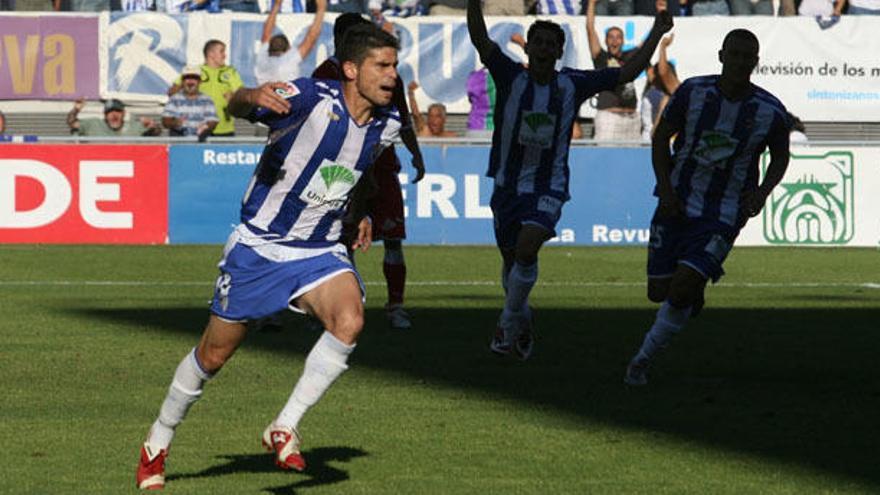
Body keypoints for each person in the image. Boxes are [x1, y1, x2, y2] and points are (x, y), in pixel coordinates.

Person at [135, 24, 409, 490]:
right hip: (261, 246)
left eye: (394, 66)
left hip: (319, 249)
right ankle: (158, 439)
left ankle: (285, 425)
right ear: (351, 69)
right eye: (381, 66)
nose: (391, 75)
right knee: (213, 355)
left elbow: (359, 172)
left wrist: (360, 212)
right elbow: (236, 105)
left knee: (350, 321)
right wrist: (249, 93)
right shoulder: (307, 98)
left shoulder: (389, 123)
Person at [467, 0, 672, 359]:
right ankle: (523, 320)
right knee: (513, 260)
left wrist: (657, 30)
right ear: (527, 47)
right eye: (539, 43)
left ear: (560, 51)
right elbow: (480, 38)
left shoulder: (572, 83)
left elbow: (627, 73)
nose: (545, 49)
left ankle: (507, 322)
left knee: (528, 247)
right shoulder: (509, 74)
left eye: (551, 44)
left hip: (549, 186)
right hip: (507, 186)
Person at [624, 29, 791, 386]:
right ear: (722, 56)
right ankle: (694, 288)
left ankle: (641, 362)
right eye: (735, 54)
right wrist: (666, 189)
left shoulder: (770, 111)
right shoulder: (693, 92)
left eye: (748, 57)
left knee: (681, 288)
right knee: (659, 292)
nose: (741, 62)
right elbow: (659, 139)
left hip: (725, 212)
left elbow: (781, 156)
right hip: (677, 203)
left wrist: (762, 192)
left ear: (756, 62)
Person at [312, 13, 426, 329]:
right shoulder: (325, 73)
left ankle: (395, 305)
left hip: (383, 166)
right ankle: (336, 308)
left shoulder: (386, 74)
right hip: (342, 169)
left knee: (392, 239)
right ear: (339, 40)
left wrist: (416, 154)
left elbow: (402, 118)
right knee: (339, 238)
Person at [586, 0, 640, 142]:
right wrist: (591, 3)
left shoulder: (631, 56)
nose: (614, 41)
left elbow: (650, 43)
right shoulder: (601, 58)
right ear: (605, 41)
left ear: (623, 41)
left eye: (618, 37)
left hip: (632, 118)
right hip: (608, 118)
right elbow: (590, 29)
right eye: (611, 37)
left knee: (634, 162)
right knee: (602, 159)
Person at [169, 40, 243, 137]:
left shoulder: (231, 72)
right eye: (222, 51)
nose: (225, 55)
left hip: (224, 129)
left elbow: (242, 95)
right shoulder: (195, 71)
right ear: (211, 53)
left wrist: (234, 97)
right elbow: (172, 92)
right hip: (197, 129)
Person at [255, 0, 327, 85]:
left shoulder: (262, 56)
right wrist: (321, 8)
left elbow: (266, 33)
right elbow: (311, 37)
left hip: (263, 96)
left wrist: (277, 5)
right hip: (286, 98)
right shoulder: (289, 60)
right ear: (288, 49)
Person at [162, 65, 219, 141]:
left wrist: (206, 127)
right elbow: (165, 122)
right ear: (182, 81)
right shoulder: (174, 100)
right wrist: (175, 123)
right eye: (187, 78)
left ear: (200, 81)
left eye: (194, 78)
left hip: (201, 142)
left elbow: (213, 121)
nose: (190, 81)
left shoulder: (207, 100)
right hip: (179, 142)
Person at [640, 33, 679, 142]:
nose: (650, 76)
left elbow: (663, 72)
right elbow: (656, 130)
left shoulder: (677, 90)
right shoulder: (665, 97)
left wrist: (663, 47)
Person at [67, 98, 161, 137]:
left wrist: (152, 125)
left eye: (118, 111)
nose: (114, 115)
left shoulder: (134, 127)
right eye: (110, 112)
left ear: (123, 113)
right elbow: (72, 123)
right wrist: (76, 109)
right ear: (105, 115)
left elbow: (157, 132)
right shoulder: (94, 124)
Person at [466, 66, 495, 139]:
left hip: (476, 128)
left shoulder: (474, 77)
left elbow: (470, 99)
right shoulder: (508, 77)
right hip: (497, 128)